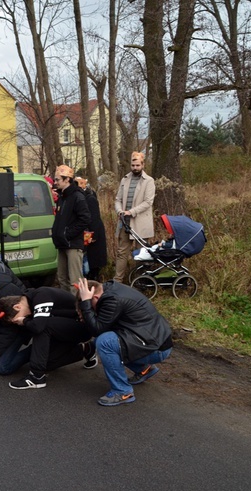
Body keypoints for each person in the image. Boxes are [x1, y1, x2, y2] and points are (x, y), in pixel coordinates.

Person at [77, 278, 173, 406]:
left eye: (90, 304)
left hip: (156, 348)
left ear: (94, 297)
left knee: (104, 342)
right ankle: (144, 369)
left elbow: (97, 330)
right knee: (109, 339)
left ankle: (122, 391)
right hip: (152, 339)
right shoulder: (109, 291)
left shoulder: (112, 300)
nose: (91, 309)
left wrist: (85, 304)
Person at [0, 287, 97, 390]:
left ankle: (36, 377)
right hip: (63, 332)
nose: (19, 322)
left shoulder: (41, 295)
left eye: (17, 319)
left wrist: (25, 321)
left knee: (42, 327)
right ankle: (85, 349)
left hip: (81, 327)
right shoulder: (31, 303)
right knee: (46, 363)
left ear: (17, 307)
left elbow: (38, 327)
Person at [114, 151, 156, 283]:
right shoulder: (125, 179)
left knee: (141, 254)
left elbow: (148, 202)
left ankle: (140, 282)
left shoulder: (149, 181)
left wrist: (131, 211)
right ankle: (117, 281)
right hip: (124, 223)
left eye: (137, 165)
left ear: (143, 165)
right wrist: (120, 210)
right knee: (122, 253)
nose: (135, 168)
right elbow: (118, 199)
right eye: (133, 165)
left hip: (141, 223)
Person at [52, 165, 90, 292]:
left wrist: (67, 234)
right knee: (62, 278)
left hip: (72, 244)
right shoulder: (62, 197)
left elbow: (85, 219)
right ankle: (67, 306)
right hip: (61, 243)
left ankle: (79, 308)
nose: (55, 182)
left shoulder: (77, 196)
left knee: (75, 281)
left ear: (67, 179)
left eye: (57, 180)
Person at [75, 177, 108, 280]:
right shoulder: (83, 197)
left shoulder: (90, 198)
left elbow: (94, 218)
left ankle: (93, 280)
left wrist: (93, 235)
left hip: (93, 234)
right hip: (88, 233)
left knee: (93, 261)